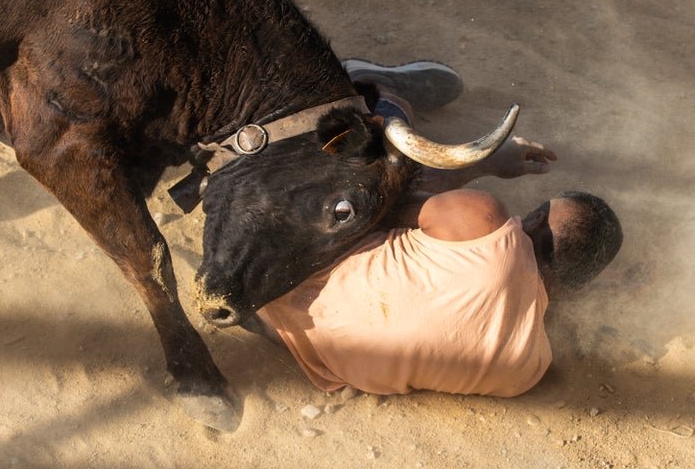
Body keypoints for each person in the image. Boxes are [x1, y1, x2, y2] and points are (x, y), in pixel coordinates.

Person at [250, 61, 623, 397]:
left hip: (262, 260)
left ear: (537, 219)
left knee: (392, 152)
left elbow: (388, 198)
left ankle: (379, 89)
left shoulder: (488, 226)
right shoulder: (527, 369)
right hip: (276, 332)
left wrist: (489, 161)